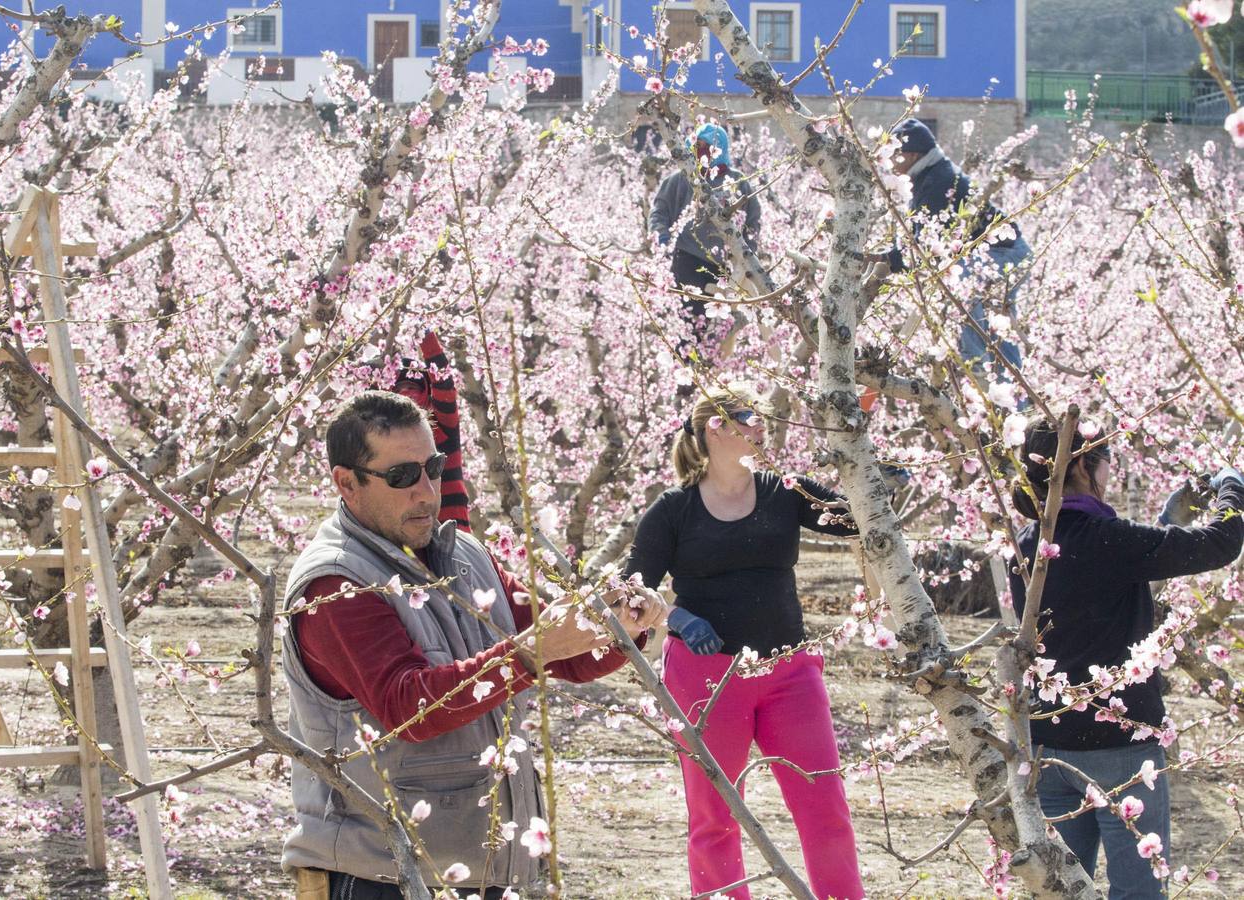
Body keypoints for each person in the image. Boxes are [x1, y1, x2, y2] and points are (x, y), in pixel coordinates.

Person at [280, 390, 666, 899]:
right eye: (401, 476)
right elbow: (409, 706)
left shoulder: (466, 554)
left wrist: (619, 626)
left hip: (481, 872)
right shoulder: (335, 585)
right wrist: (534, 651)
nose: (425, 490)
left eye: (433, 468)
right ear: (346, 483)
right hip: (384, 876)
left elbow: (561, 650)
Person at [624, 389, 864, 900]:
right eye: (753, 419)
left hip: (790, 674)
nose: (764, 430)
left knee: (826, 808)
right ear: (716, 428)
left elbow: (856, 519)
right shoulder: (674, 511)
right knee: (715, 817)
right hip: (706, 677)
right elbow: (627, 592)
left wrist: (869, 463)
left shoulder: (786, 492)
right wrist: (675, 616)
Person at [1009, 419, 1243, 897]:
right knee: (1138, 891)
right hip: (1122, 749)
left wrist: (1161, 528)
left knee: (1055, 890)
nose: (1111, 473)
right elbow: (1223, 542)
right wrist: (1231, 489)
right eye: (1107, 462)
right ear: (1080, 467)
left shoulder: (1027, 546)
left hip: (1047, 744)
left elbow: (1095, 591)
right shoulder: (1110, 539)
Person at [883, 118, 1030, 371]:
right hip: (995, 253)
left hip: (1002, 253)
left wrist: (887, 261)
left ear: (913, 154)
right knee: (988, 324)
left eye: (894, 154)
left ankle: (991, 385)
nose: (888, 161)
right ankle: (1001, 388)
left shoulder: (938, 182)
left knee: (971, 311)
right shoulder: (926, 177)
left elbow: (926, 250)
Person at [649, 123, 761, 344]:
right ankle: (690, 367)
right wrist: (661, 237)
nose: (700, 150)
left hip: (726, 263)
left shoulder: (737, 182)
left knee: (721, 320)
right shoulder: (681, 179)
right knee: (690, 319)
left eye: (706, 146)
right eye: (697, 145)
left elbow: (753, 220)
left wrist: (747, 253)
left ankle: (712, 365)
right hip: (687, 258)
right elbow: (659, 210)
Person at [389, 331, 470, 532]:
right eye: (400, 388)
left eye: (412, 386)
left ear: (426, 391)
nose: (406, 392)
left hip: (453, 527)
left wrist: (421, 329)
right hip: (411, 527)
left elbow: (444, 381)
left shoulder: (442, 424)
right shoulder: (386, 434)